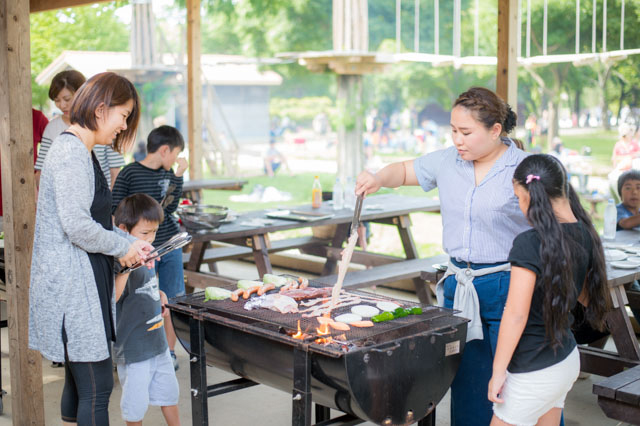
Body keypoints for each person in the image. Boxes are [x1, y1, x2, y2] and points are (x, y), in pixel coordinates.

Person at [356, 87, 529, 426]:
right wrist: (377, 178)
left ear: (496, 131)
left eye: (466, 132)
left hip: (510, 284)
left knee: (517, 377)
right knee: (467, 376)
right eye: (453, 130)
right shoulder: (447, 160)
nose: (457, 140)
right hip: (461, 286)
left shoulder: (524, 168)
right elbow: (404, 170)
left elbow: (552, 225)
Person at [28, 72, 153, 426]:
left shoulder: (86, 151)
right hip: (72, 288)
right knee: (98, 387)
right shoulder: (70, 152)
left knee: (80, 383)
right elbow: (77, 226)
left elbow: (97, 220)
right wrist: (121, 248)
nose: (123, 125)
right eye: (123, 115)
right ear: (101, 110)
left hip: (84, 282)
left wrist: (132, 243)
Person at [488, 154, 610, 425]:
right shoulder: (585, 232)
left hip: (532, 369)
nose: (520, 206)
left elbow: (516, 315)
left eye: (519, 197)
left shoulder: (529, 243)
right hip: (565, 360)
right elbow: (583, 295)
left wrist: (498, 371)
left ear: (532, 197)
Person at [112, 125, 189, 371]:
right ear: (165, 150)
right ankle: (132, 349)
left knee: (174, 296)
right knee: (139, 297)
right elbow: (116, 210)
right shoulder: (129, 172)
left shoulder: (169, 174)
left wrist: (178, 175)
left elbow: (170, 207)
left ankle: (168, 352)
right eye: (176, 154)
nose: (176, 159)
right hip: (137, 249)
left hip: (168, 241)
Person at [114, 194, 180, 426]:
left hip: (157, 342)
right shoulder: (119, 258)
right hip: (134, 347)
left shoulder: (148, 252)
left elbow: (149, 283)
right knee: (135, 405)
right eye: (145, 233)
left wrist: (160, 295)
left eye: (154, 232)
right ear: (123, 229)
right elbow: (113, 297)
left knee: (169, 394)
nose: (151, 238)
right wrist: (128, 268)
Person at [35, 70, 126, 188]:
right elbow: (41, 172)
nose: (62, 105)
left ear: (83, 95)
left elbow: (115, 171)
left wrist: (112, 202)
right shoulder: (52, 128)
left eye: (67, 99)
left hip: (101, 200)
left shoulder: (103, 124)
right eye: (57, 100)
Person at [614, 170, 640, 322]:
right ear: (620, 192)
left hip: (636, 263)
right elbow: (626, 223)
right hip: (621, 267)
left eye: (638, 187)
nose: (634, 192)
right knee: (633, 290)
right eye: (628, 187)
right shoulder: (618, 210)